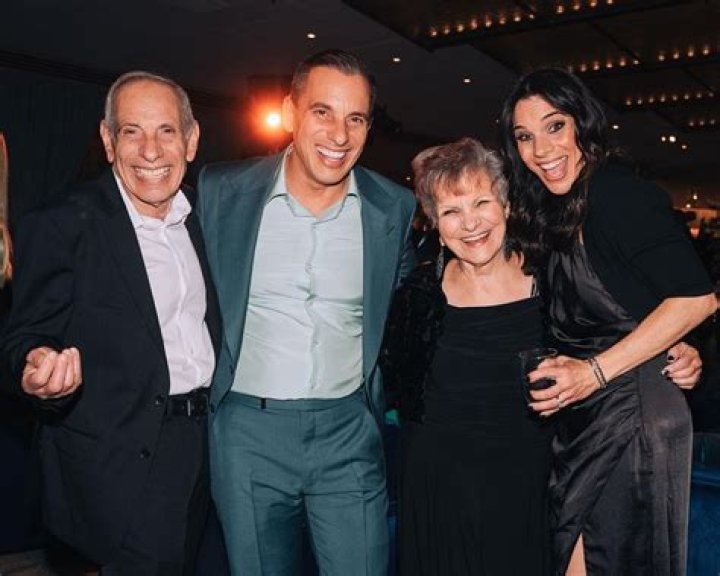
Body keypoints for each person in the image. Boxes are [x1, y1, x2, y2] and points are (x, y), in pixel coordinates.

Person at [196, 49, 416, 575]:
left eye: (356, 118)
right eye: (323, 112)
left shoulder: (393, 208)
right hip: (248, 433)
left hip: (349, 430)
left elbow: (418, 302)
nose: (340, 135)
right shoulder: (220, 191)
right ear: (291, 112)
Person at [1, 71, 221, 575]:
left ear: (191, 140)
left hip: (202, 447)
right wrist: (38, 368)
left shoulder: (206, 217)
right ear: (107, 140)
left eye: (166, 131)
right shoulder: (62, 222)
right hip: (117, 457)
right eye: (131, 131)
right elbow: (23, 336)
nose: (150, 150)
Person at [498, 68, 716, 575]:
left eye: (555, 126)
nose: (542, 150)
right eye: (525, 137)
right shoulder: (552, 209)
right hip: (583, 414)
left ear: (582, 123)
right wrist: (673, 345)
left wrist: (592, 372)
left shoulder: (616, 192)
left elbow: (697, 298)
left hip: (631, 414)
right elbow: (640, 300)